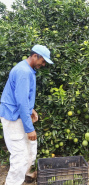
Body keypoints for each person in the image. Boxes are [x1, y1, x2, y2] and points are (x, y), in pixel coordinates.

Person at [0, 44, 54, 185]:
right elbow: (21, 102)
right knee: (19, 156)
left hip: (19, 113)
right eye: (43, 61)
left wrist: (31, 109)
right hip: (13, 117)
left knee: (31, 146)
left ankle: (27, 175)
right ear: (35, 56)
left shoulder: (27, 69)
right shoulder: (24, 72)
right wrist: (29, 128)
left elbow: (23, 98)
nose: (43, 64)